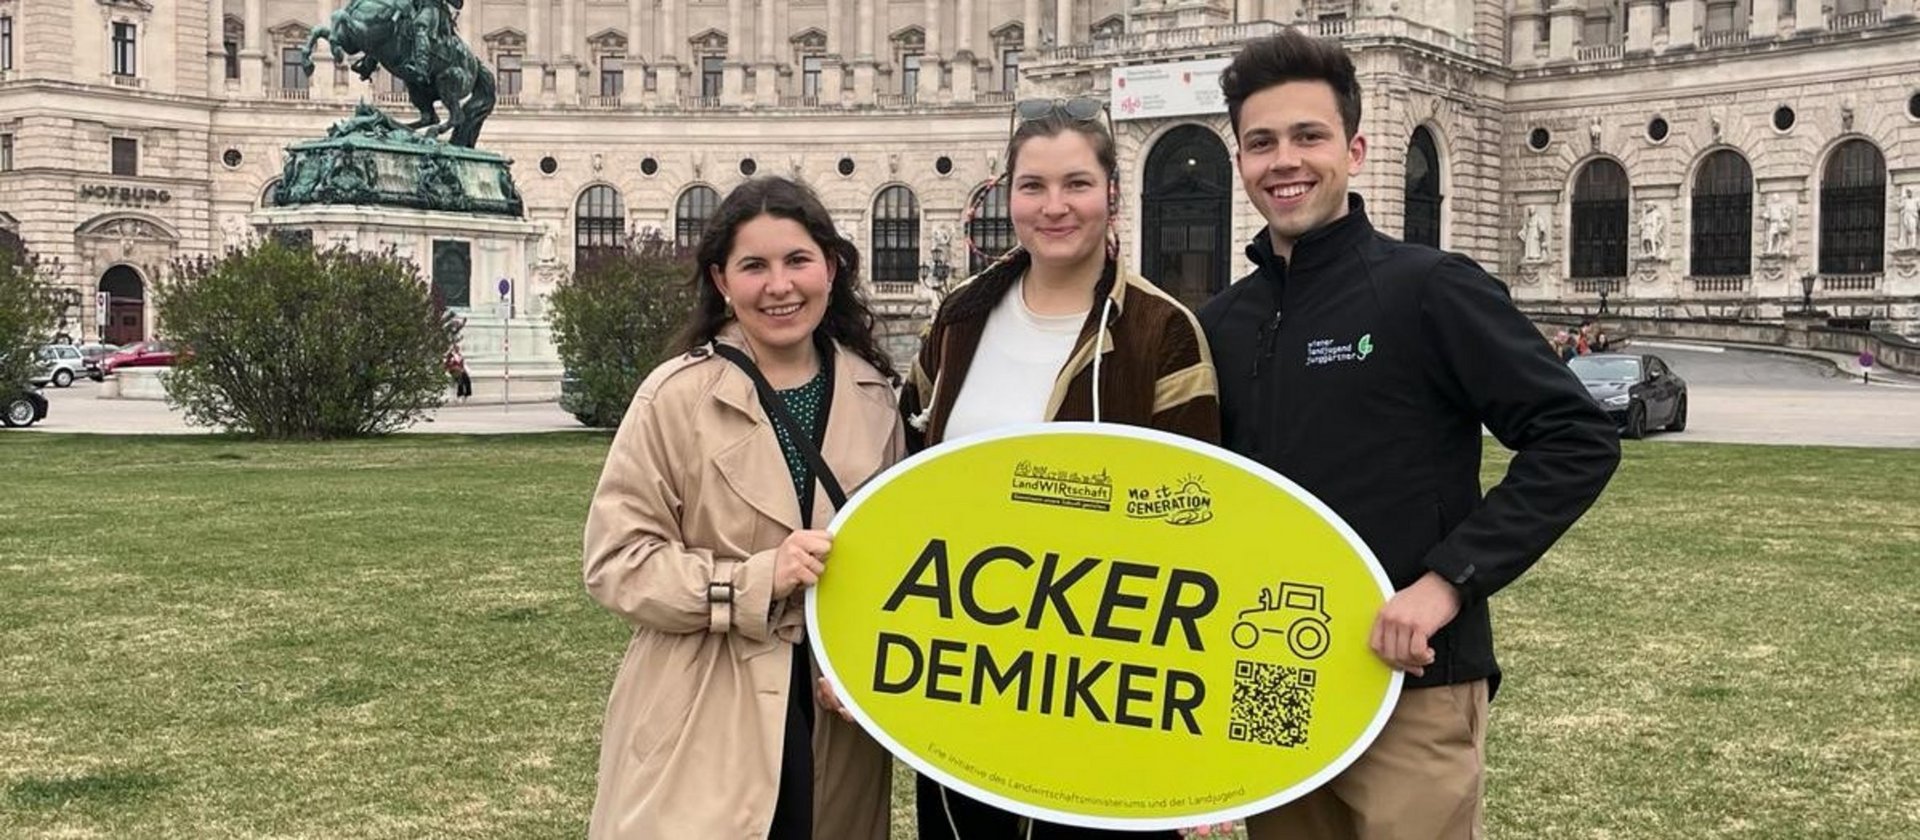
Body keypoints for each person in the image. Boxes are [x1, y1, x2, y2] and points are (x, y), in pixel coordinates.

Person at [1196, 29, 1620, 840]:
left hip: (1410, 680)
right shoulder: (1220, 322)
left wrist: (1447, 581)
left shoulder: (1430, 288)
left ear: (1355, 150)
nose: (1285, 161)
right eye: (1262, 142)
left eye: (1308, 136)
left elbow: (1575, 437)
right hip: (1271, 677)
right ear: (1240, 161)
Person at [890, 96, 1222, 839]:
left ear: (1112, 194)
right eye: (1032, 186)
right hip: (966, 675)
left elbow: (1195, 525)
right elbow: (908, 477)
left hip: (1106, 688)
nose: (1054, 206)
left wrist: (1189, 749)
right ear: (1007, 197)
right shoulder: (960, 318)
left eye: (1077, 183)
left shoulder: (1162, 331)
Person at [582, 176, 903, 840]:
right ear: (721, 280)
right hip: (702, 705)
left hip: (833, 714)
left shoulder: (875, 397)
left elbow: (899, 563)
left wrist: (868, 666)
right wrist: (753, 580)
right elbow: (616, 563)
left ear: (831, 268)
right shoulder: (674, 397)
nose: (779, 286)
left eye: (797, 260)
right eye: (754, 266)